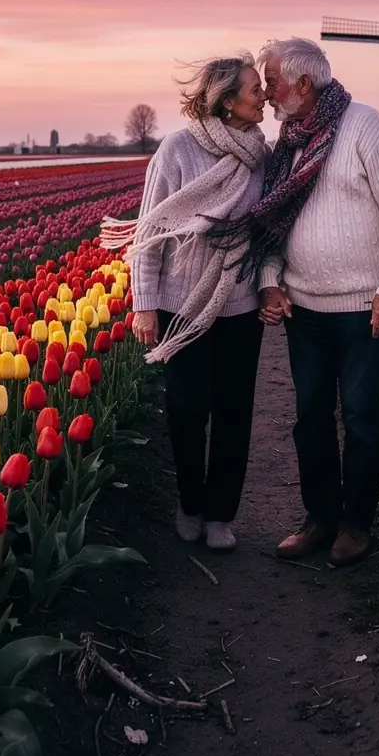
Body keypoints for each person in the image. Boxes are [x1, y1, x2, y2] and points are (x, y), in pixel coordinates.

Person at [248, 37, 379, 566]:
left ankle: (357, 524)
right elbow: (274, 222)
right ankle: (320, 518)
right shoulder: (289, 140)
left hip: (363, 308)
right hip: (306, 309)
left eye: (271, 79)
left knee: (363, 419)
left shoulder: (364, 126)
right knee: (311, 418)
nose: (267, 90)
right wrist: (271, 280)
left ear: (303, 83)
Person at [101, 55, 267, 551]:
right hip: (182, 303)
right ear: (227, 100)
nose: (264, 97)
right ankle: (190, 502)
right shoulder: (178, 149)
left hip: (240, 301)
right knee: (188, 408)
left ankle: (221, 515)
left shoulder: (262, 155)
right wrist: (145, 304)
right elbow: (151, 230)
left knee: (236, 412)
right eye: (255, 89)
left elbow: (268, 234)